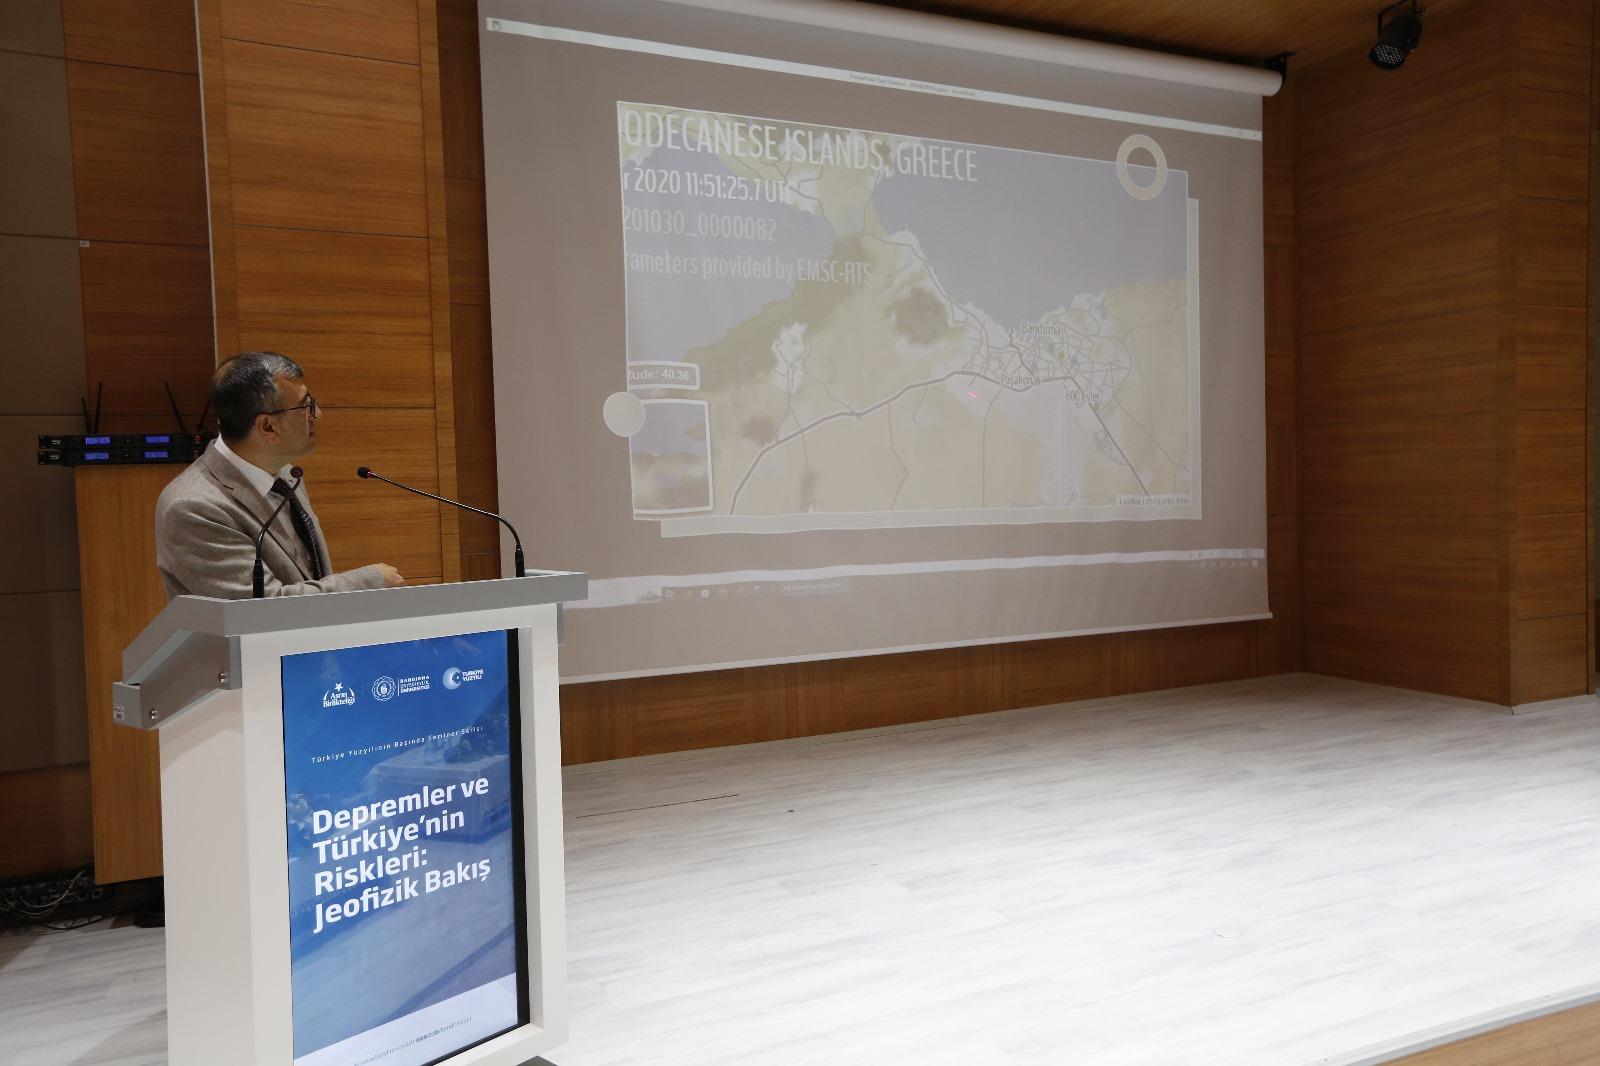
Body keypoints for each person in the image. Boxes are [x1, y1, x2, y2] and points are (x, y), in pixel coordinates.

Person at [154, 351, 405, 599]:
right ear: (268, 427)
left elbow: (308, 576)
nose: (317, 414)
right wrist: (368, 582)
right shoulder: (193, 507)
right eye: (306, 406)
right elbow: (262, 606)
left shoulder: (285, 473)